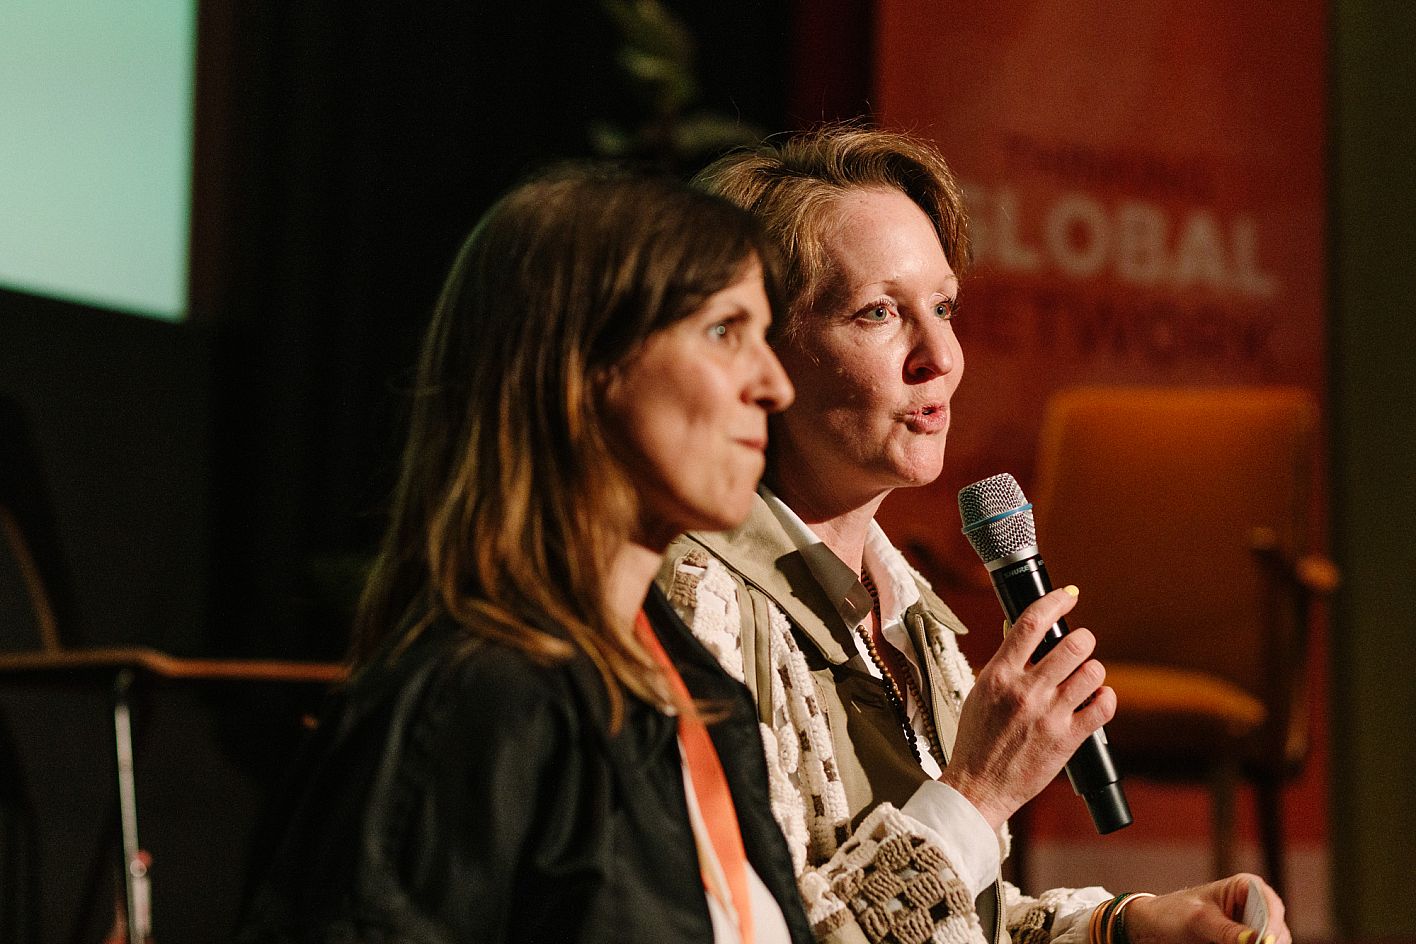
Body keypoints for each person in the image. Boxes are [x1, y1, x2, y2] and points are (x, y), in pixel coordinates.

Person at [658, 126, 1291, 944]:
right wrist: (977, 793)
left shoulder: (909, 615)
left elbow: (954, 921)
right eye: (879, 313)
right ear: (761, 354)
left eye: (944, 307)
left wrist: (1125, 927)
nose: (941, 356)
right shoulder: (696, 608)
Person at [238, 164, 815, 943]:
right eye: (724, 331)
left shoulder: (700, 697)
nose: (775, 385)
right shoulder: (478, 703)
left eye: (764, 336)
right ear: (578, 364)